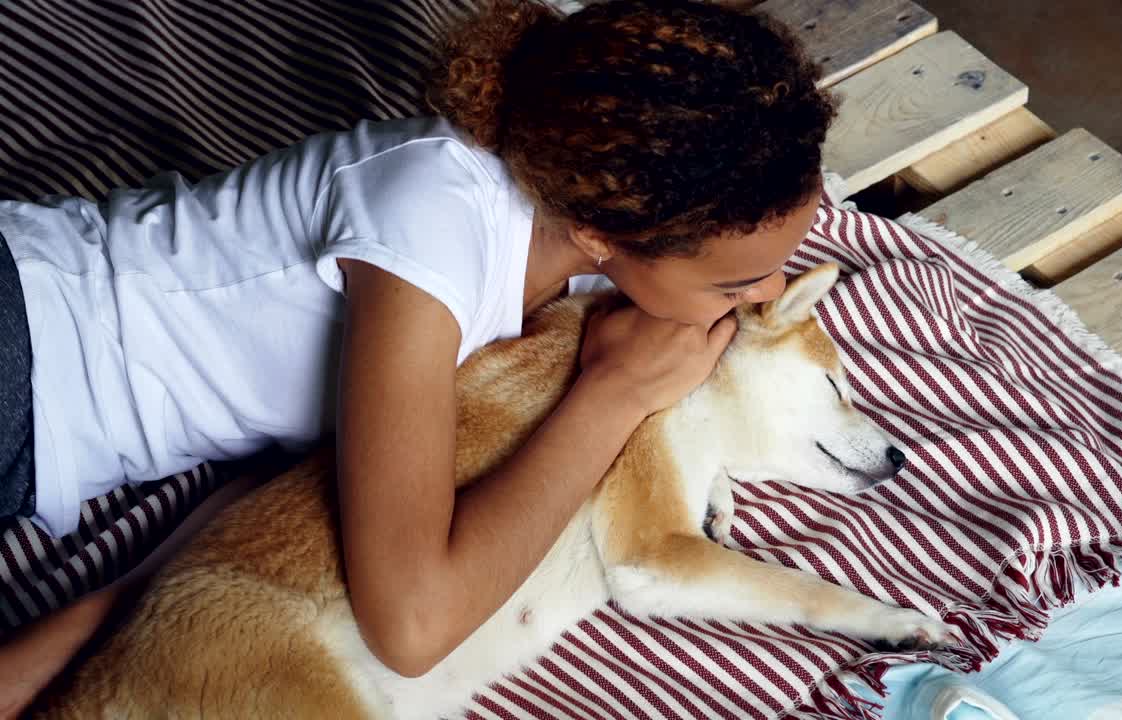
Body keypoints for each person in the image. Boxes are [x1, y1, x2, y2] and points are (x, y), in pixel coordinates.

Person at [0, 0, 834, 711]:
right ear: (603, 234)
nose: (765, 300)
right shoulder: (430, 225)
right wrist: (610, 396)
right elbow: (414, 625)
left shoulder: (561, 268)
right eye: (739, 285)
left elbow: (258, 511)